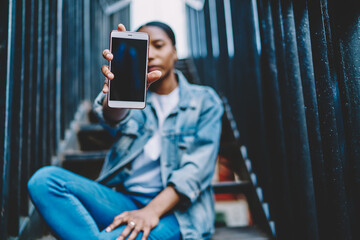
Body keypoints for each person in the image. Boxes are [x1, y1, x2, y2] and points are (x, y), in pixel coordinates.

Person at [28, 21, 224, 240]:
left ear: (175, 52)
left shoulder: (205, 101)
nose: (149, 55)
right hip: (124, 200)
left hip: (178, 212)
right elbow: (113, 120)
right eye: (142, 49)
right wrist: (115, 95)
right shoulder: (134, 99)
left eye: (158, 45)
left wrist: (151, 211)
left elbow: (195, 172)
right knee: (44, 181)